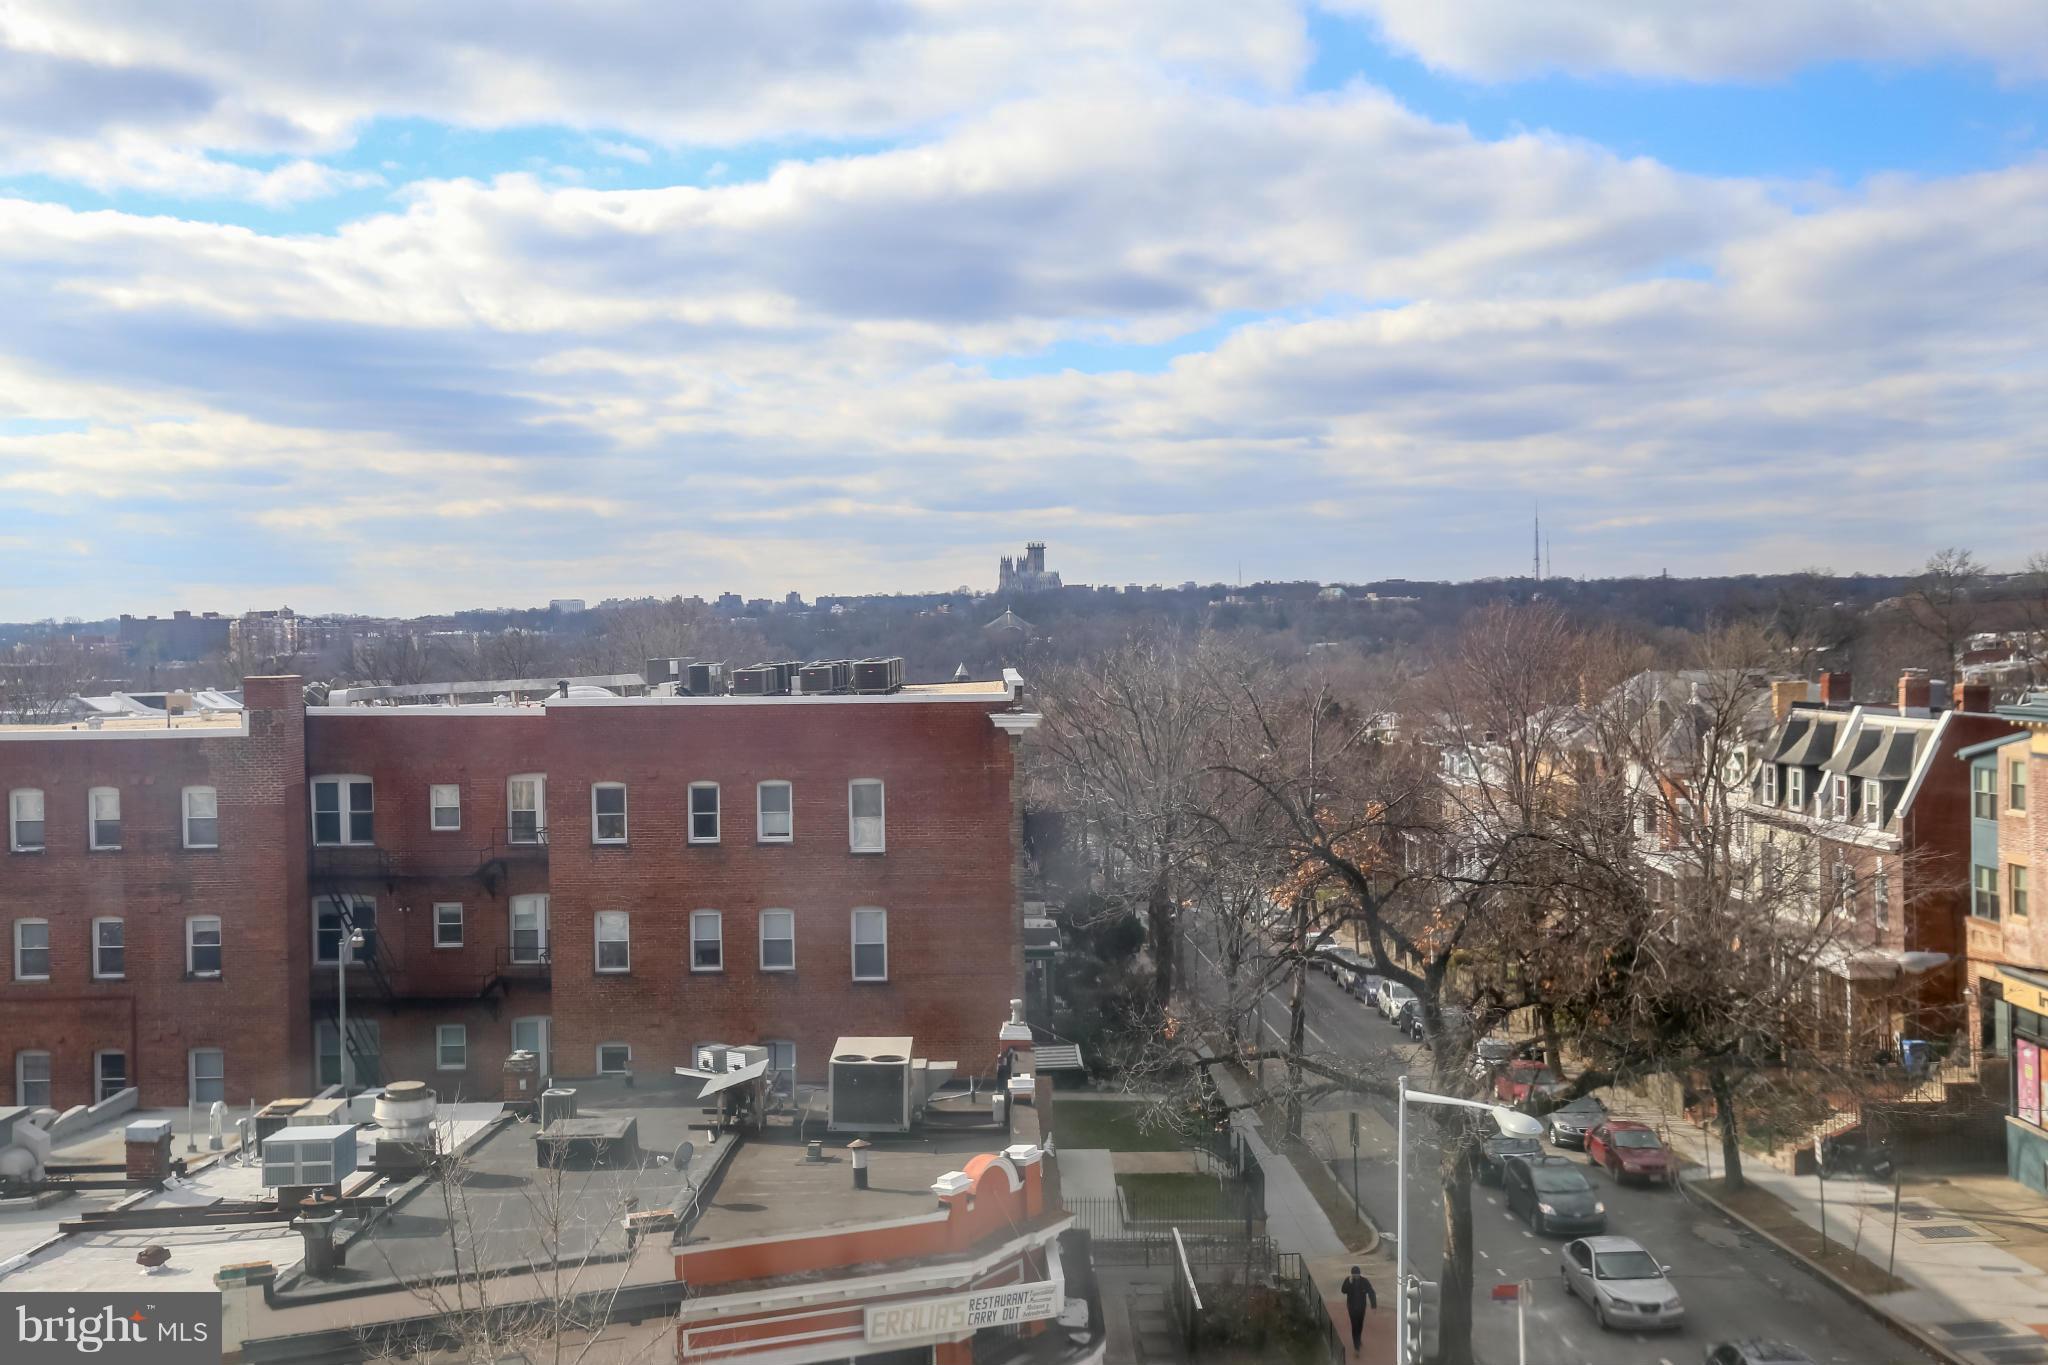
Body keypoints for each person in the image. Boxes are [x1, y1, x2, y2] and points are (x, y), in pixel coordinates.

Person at [1341, 1265, 1377, 1351]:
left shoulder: (1364, 1281)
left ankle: (1358, 1338)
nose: (1355, 1276)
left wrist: (1374, 1305)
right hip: (1352, 1307)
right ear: (1352, 1274)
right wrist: (1348, 1283)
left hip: (1361, 1307)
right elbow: (1343, 1291)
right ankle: (1356, 1346)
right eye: (1354, 1274)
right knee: (1354, 1325)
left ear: (1359, 1274)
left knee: (1360, 1325)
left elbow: (1371, 1292)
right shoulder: (1348, 1280)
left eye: (1357, 1274)